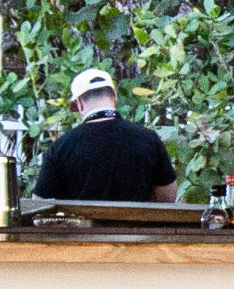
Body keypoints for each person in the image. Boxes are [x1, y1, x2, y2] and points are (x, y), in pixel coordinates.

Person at [34, 66, 178, 202]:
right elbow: (168, 197)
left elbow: (39, 204)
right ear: (114, 98)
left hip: (82, 228)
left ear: (79, 103)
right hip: (136, 228)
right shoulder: (149, 139)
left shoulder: (60, 147)